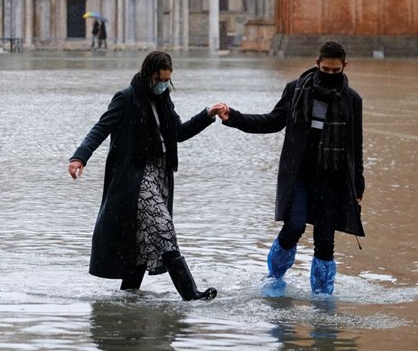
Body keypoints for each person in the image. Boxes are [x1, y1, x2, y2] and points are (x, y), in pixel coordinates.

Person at [68, 51, 224, 300]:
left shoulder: (164, 101)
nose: (163, 85)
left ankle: (128, 296)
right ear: (148, 74)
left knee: (140, 239)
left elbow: (179, 133)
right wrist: (79, 157)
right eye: (159, 79)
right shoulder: (126, 97)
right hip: (136, 177)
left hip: (160, 174)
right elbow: (101, 127)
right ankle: (190, 293)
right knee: (164, 229)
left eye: (167, 80)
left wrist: (207, 115)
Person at [215, 40, 364, 296]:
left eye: (334, 71)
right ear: (317, 63)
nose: (329, 75)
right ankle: (274, 279)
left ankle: (322, 298)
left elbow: (355, 146)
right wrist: (234, 117)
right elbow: (272, 121)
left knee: (325, 241)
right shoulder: (296, 90)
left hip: (332, 178)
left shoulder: (352, 100)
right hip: (299, 175)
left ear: (344, 67)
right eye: (325, 70)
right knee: (294, 226)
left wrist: (358, 186)